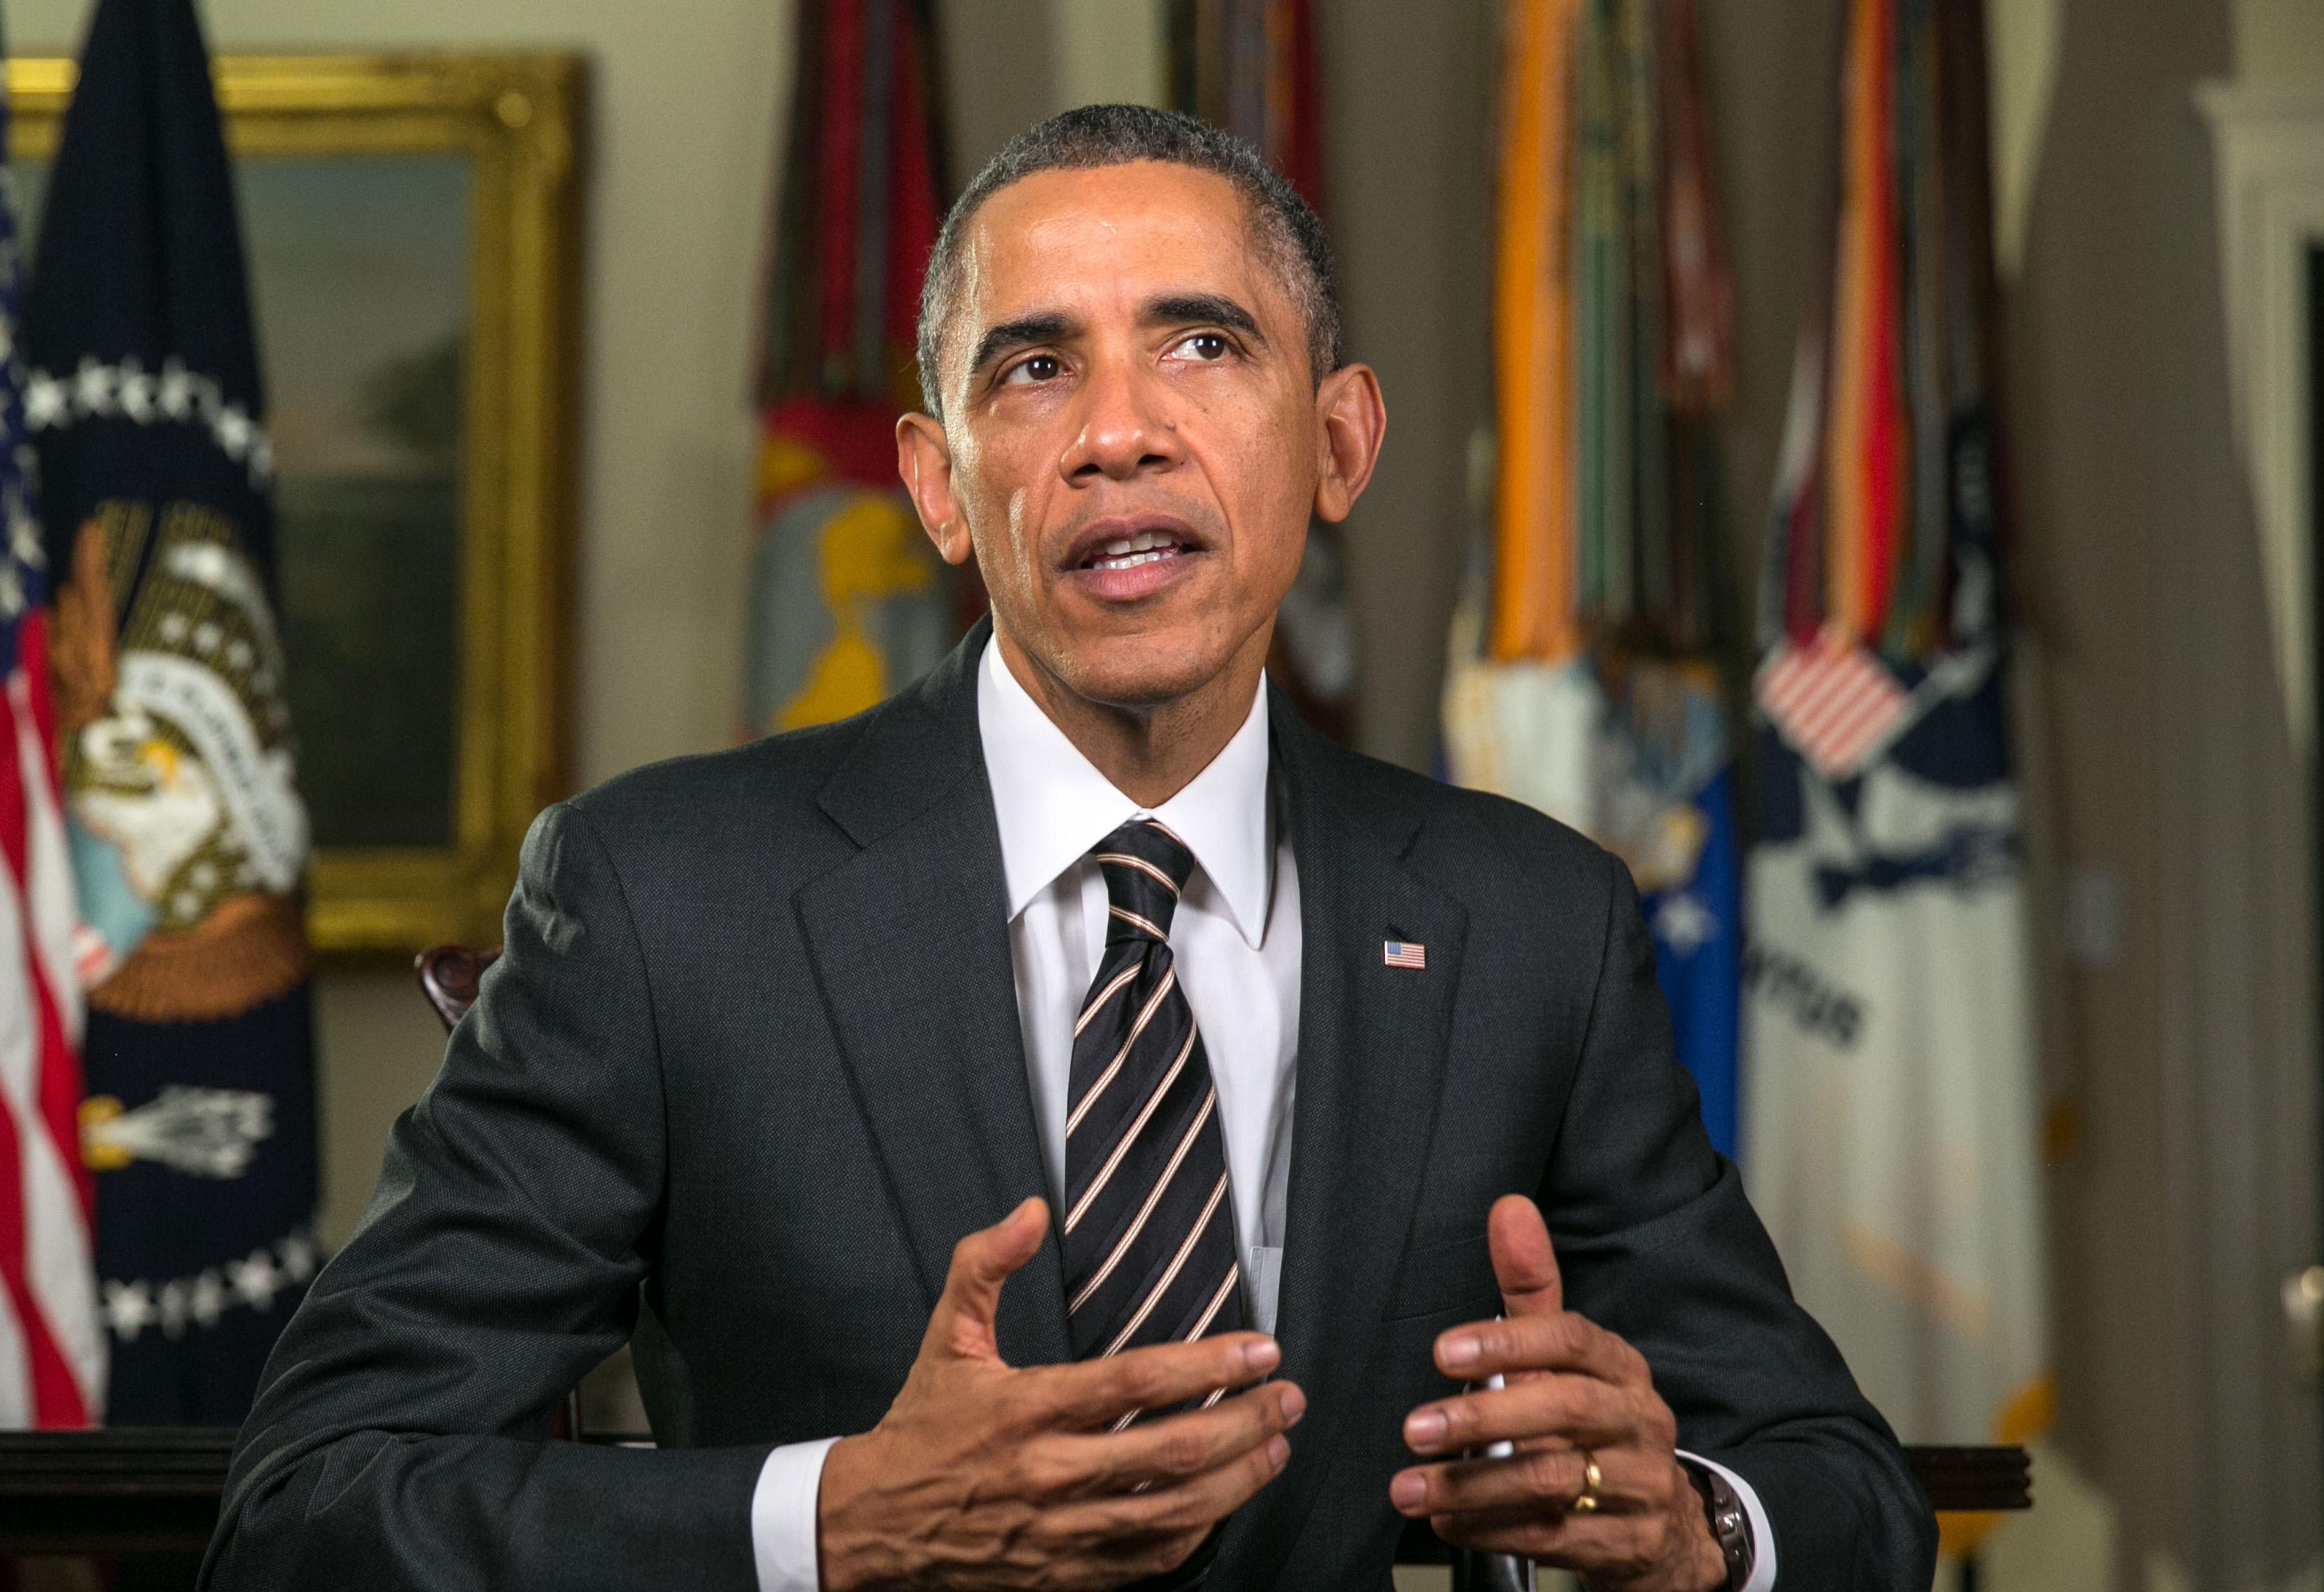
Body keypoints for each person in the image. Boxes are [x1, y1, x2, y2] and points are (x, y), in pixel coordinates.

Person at [205, 105, 1933, 1592]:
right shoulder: (666, 902)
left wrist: (1696, 1525)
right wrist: (837, 1519)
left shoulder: (1527, 921)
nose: (1117, 431)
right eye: (1034, 367)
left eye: (1201, 345)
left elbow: (1838, 1483)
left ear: (1339, 441)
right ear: (942, 485)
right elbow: (308, 1508)